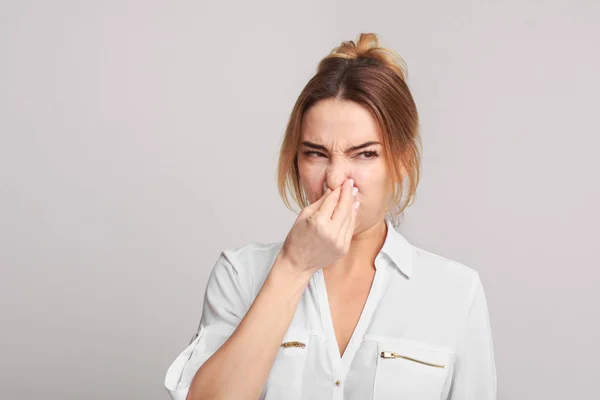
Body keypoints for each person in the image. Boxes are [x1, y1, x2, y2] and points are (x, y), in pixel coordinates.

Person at [164, 32, 497, 400]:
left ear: (401, 161)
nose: (335, 179)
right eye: (315, 154)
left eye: (365, 154)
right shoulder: (240, 275)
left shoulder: (456, 293)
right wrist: (293, 267)